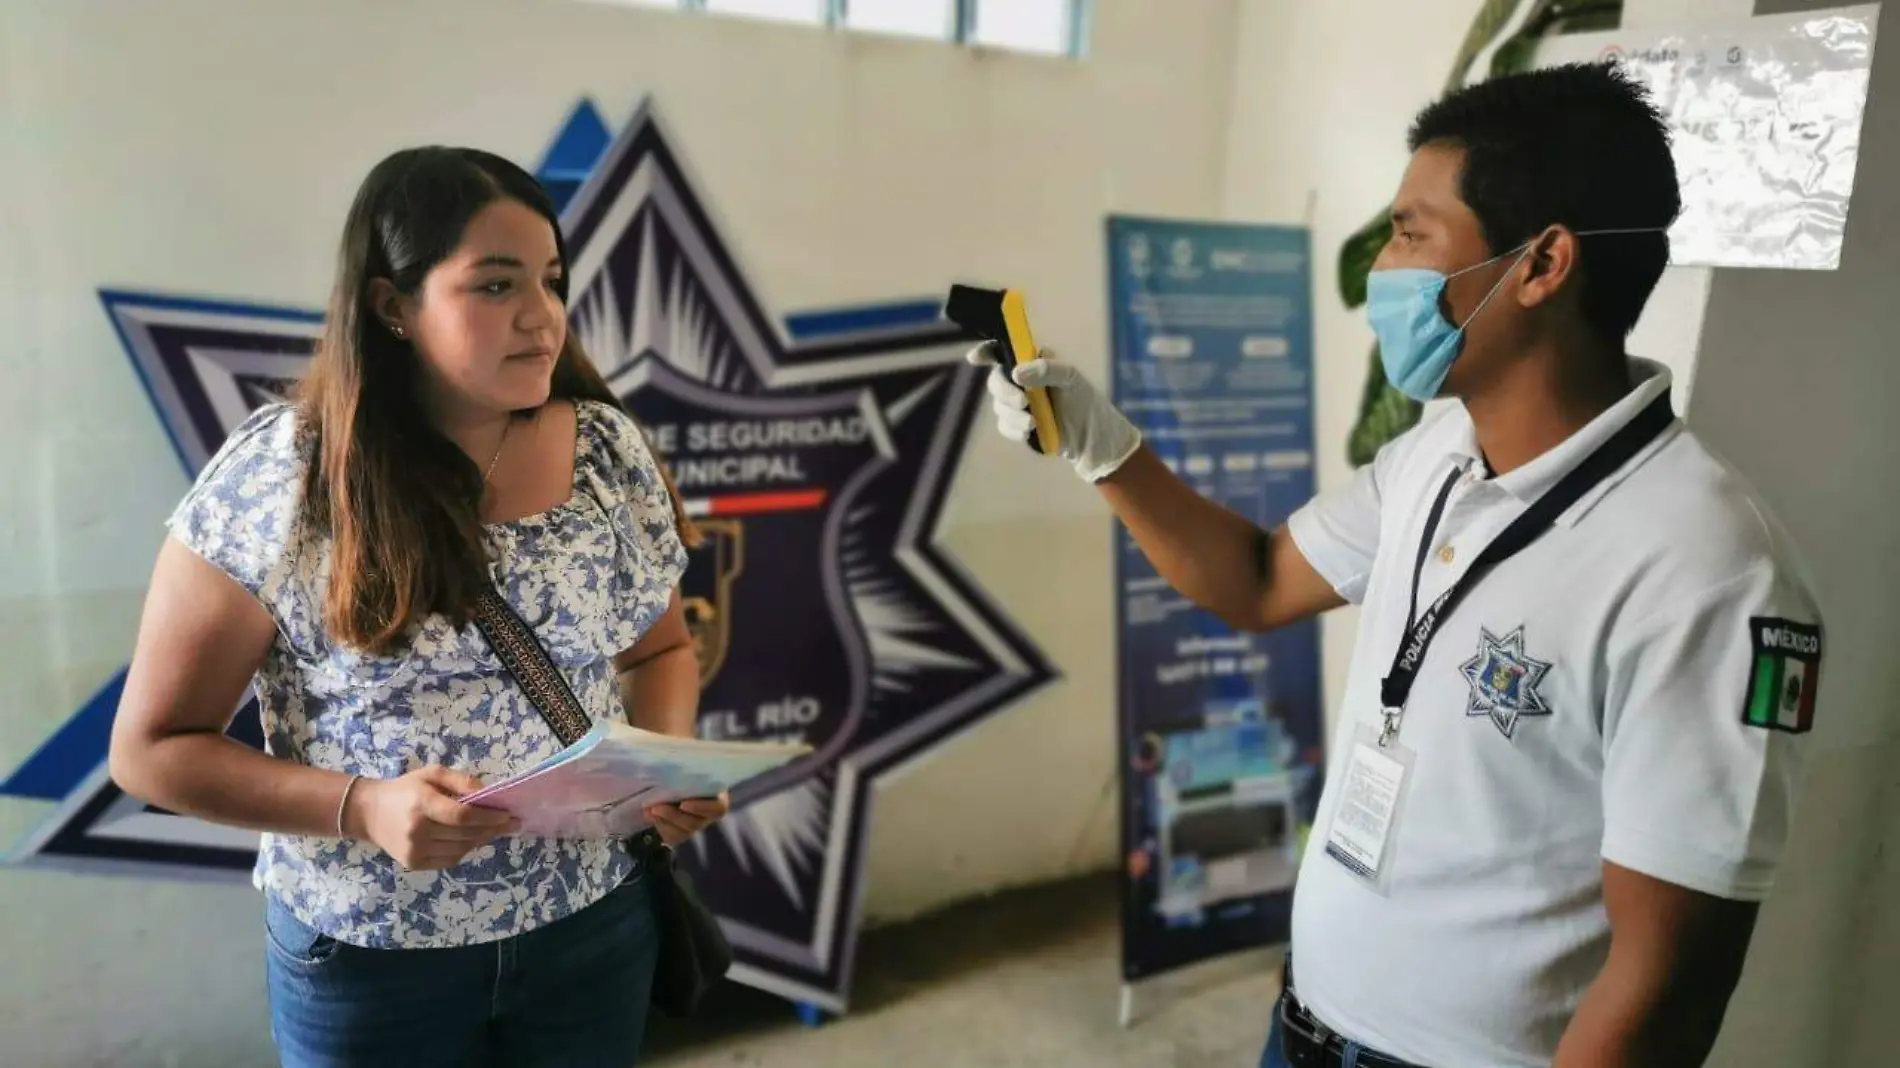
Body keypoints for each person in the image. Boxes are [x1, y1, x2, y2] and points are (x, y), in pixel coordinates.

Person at [971, 63, 1822, 1068]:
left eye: (1412, 233)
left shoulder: (1707, 567)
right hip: (1304, 1031)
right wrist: (1100, 447)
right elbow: (1255, 579)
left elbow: (1667, 976)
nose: (1382, 267)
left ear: (1540, 264)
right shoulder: (1436, 458)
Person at [107, 146, 726, 1067]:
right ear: (392, 306)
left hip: (593, 928)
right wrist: (360, 807)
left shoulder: (604, 451)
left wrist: (662, 767)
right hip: (371, 957)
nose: (542, 317)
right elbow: (151, 751)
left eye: (552, 282)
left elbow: (660, 652)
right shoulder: (286, 477)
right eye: (494, 285)